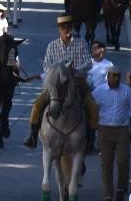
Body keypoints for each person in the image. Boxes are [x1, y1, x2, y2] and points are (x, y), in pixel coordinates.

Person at [24, 15, 97, 149]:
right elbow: (46, 66)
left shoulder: (81, 44)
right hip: (56, 84)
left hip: (77, 82)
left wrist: (74, 70)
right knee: (37, 105)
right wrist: (58, 72)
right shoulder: (52, 46)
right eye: (63, 28)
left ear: (72, 28)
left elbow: (88, 64)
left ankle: (91, 139)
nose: (66, 30)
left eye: (69, 27)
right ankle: (33, 135)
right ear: (59, 29)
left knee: (93, 107)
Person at [93, 66, 131, 201]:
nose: (115, 78)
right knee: (106, 162)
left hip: (122, 129)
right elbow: (92, 107)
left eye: (118, 76)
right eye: (113, 75)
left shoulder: (126, 91)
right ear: (108, 76)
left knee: (123, 160)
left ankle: (121, 187)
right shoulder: (99, 91)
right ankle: (108, 194)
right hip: (105, 129)